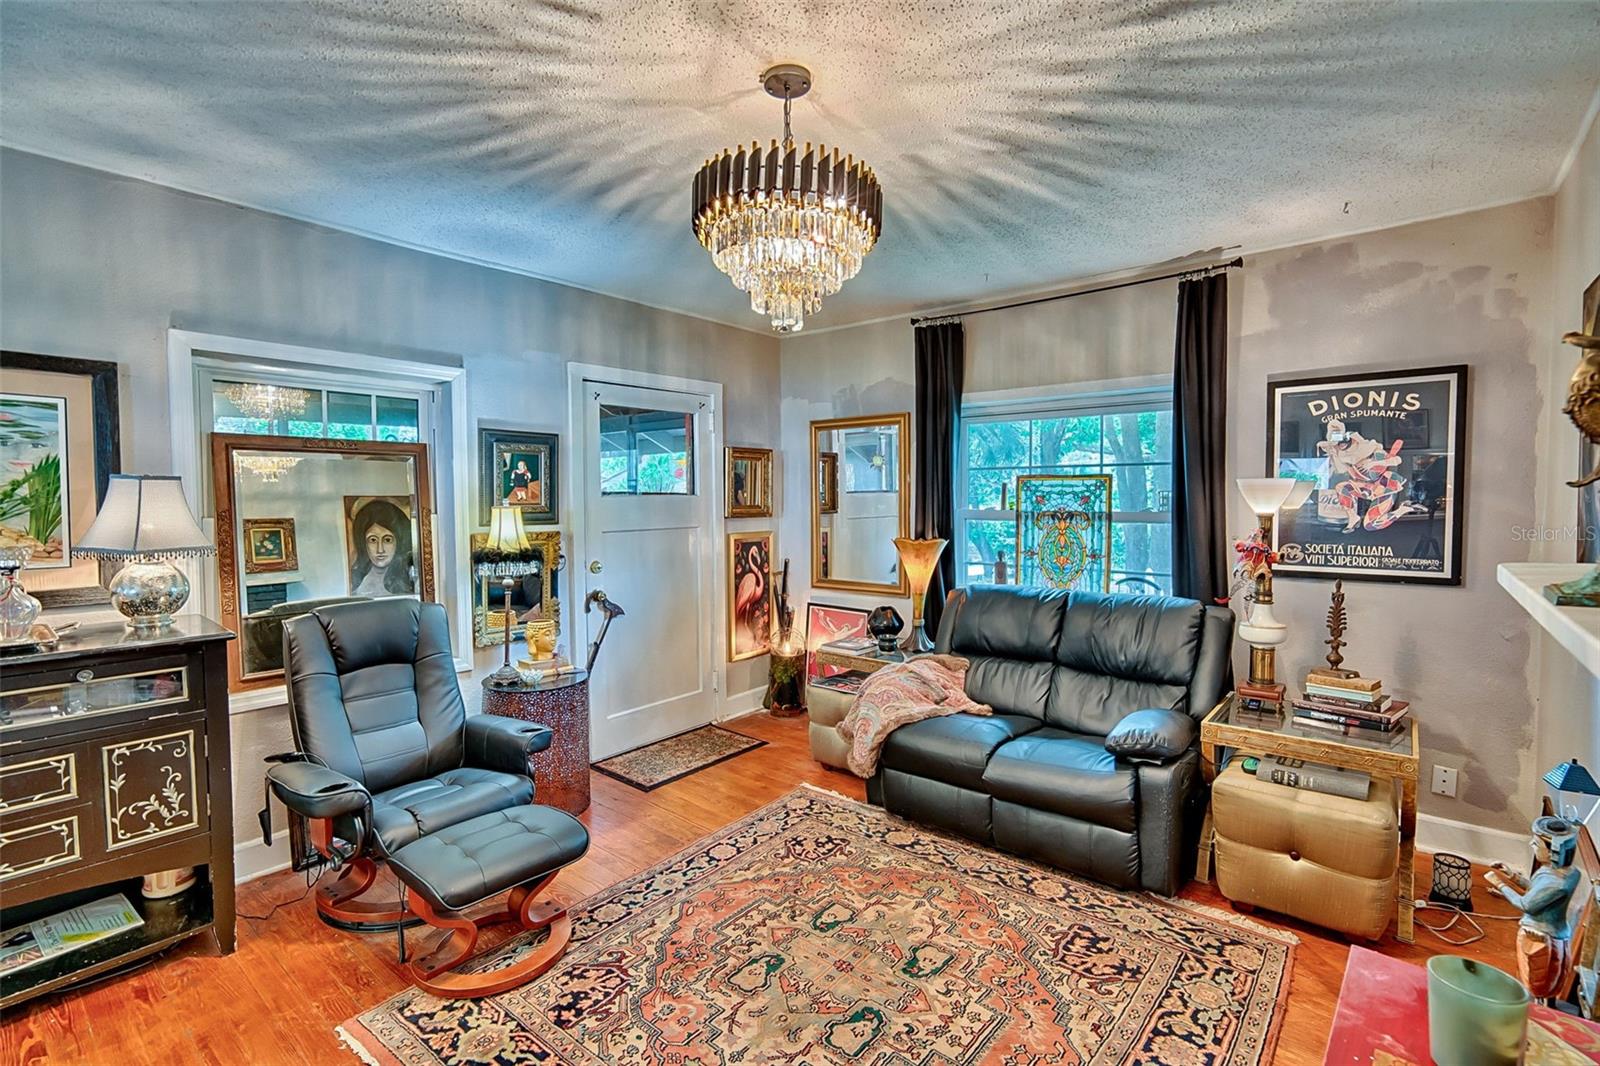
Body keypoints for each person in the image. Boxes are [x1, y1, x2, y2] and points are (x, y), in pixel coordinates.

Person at [349, 498, 416, 596]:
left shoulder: (411, 581)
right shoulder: (354, 583)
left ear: (400, 541)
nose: (380, 550)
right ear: (363, 542)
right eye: (373, 540)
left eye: (387, 540)